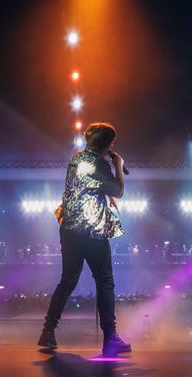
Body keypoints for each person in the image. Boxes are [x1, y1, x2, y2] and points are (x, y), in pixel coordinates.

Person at [38, 122, 131, 356]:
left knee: (67, 281)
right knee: (105, 282)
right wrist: (118, 166)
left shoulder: (76, 159)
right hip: (92, 231)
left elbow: (84, 186)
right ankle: (110, 338)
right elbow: (118, 190)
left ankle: (47, 332)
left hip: (69, 229)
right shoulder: (101, 164)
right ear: (108, 144)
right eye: (112, 143)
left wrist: (103, 193)